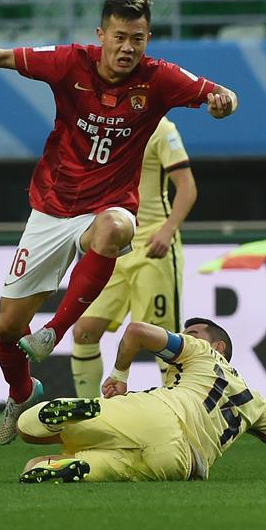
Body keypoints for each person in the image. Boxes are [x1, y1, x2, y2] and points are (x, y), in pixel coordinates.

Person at [0, 0, 238, 446]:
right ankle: (21, 389)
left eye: (137, 38)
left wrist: (225, 100)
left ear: (148, 38)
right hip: (52, 210)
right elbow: (8, 57)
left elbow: (220, 93)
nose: (128, 47)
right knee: (8, 330)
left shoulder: (161, 78)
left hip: (111, 207)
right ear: (101, 35)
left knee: (113, 229)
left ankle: (55, 332)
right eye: (119, 37)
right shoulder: (71, 62)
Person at [16, 318, 266, 483]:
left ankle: (72, 417)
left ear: (218, 345)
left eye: (192, 331)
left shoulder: (202, 353)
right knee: (38, 465)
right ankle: (74, 465)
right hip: (181, 464)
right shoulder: (256, 405)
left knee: (28, 427)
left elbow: (137, 332)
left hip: (160, 413)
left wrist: (120, 374)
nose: (183, 335)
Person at [71, 115, 195, 397]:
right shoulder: (103, 126)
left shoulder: (162, 129)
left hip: (153, 247)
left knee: (161, 341)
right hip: (111, 245)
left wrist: (168, 230)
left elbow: (187, 186)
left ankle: (179, 418)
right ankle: (89, 417)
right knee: (84, 331)